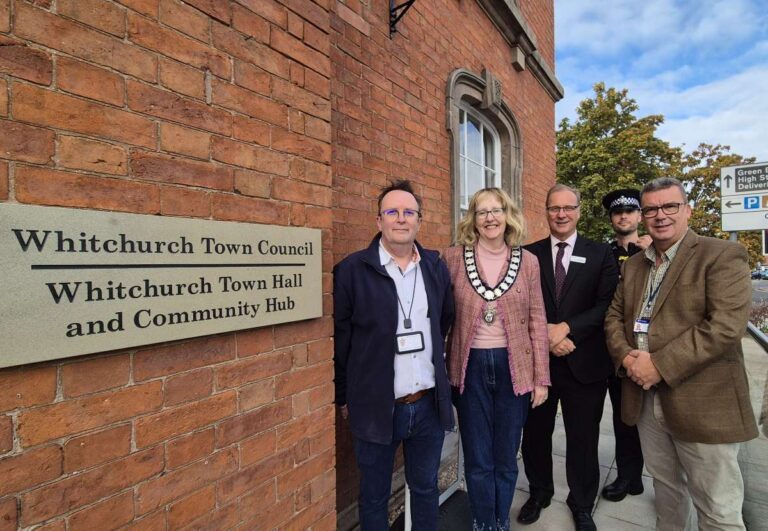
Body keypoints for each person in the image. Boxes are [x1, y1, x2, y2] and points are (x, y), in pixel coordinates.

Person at [604, 177, 757, 531]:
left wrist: (657, 364)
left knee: (717, 508)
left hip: (702, 402)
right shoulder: (635, 265)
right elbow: (614, 316)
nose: (660, 215)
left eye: (669, 206)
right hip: (645, 400)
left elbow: (724, 327)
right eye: (652, 209)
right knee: (668, 493)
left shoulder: (720, 254)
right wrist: (628, 358)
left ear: (687, 210)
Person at [333, 179, 454, 531]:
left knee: (426, 488)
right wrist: (343, 396)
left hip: (427, 404)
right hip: (374, 406)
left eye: (408, 212)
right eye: (392, 212)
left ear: (418, 220)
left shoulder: (434, 266)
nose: (401, 219)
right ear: (379, 221)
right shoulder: (352, 271)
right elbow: (341, 341)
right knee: (373, 497)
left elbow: (445, 318)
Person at [442, 188, 550, 530]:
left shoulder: (528, 262)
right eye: (482, 211)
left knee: (505, 457)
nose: (490, 217)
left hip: (513, 368)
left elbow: (537, 319)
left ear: (508, 215)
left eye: (497, 210)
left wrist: (541, 378)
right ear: (472, 219)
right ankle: (481, 521)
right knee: (477, 457)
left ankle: (500, 520)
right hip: (469, 367)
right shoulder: (453, 259)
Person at [518, 184, 618, 531]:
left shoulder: (601, 253)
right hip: (539, 363)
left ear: (578, 210)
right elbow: (520, 305)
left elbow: (607, 305)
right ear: (545, 211)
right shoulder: (527, 255)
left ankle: (581, 503)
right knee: (534, 435)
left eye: (568, 208)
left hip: (585, 363)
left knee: (583, 439)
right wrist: (548, 335)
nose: (561, 214)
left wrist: (567, 329)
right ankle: (539, 492)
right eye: (554, 208)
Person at [599, 189, 648, 502]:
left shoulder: (652, 251)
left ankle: (642, 474)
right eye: (618, 213)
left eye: (630, 211)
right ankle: (629, 476)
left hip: (642, 347)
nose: (624, 217)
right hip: (607, 347)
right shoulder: (603, 254)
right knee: (623, 416)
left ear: (639, 216)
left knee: (648, 417)